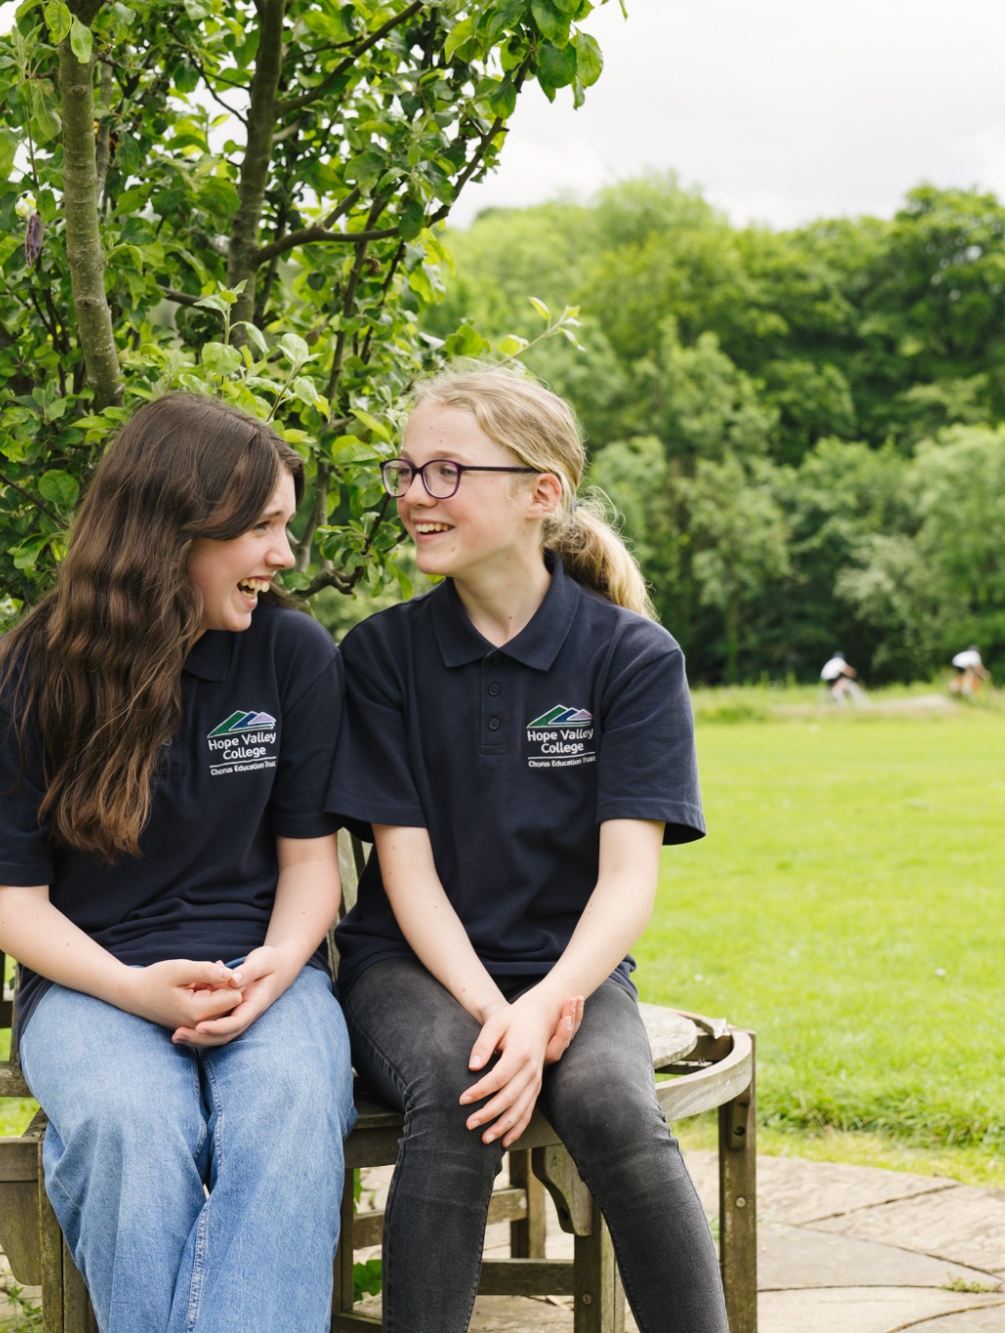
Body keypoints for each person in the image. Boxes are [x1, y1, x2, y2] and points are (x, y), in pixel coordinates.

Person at [0, 394, 354, 1333]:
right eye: (263, 528)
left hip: (269, 974)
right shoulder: (31, 669)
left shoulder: (292, 654)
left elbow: (312, 865)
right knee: (130, 1123)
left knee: (287, 1107)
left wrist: (277, 966)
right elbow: (17, 908)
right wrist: (135, 988)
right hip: (90, 984)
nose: (285, 555)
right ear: (175, 528)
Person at [327, 367, 728, 1333]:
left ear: (539, 493)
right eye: (407, 471)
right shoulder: (380, 657)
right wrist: (491, 1010)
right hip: (411, 969)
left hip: (573, 975)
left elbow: (629, 877)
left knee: (617, 1111)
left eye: (447, 471)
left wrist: (547, 1000)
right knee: (467, 1086)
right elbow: (405, 872)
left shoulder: (633, 658)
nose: (415, 495)